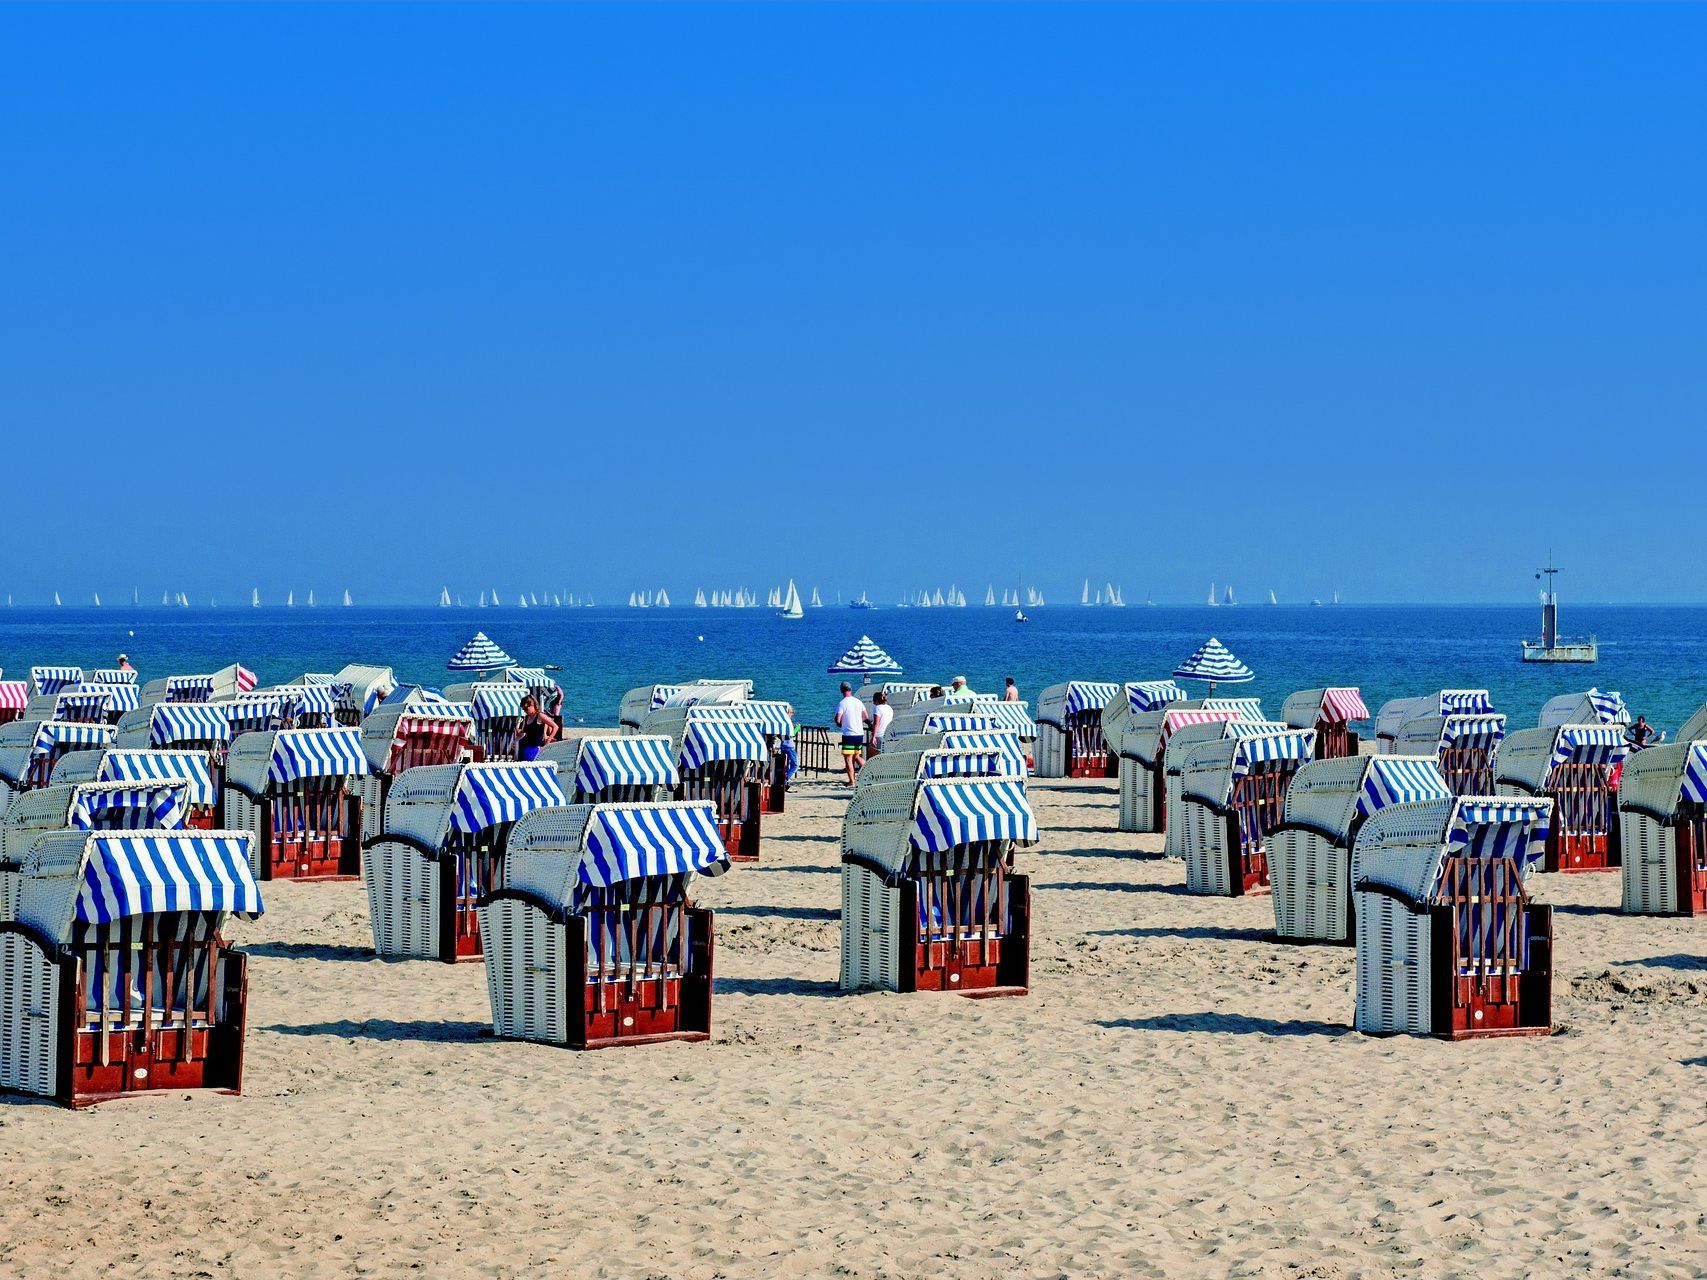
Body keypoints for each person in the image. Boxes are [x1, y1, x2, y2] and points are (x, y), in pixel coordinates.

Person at [835, 682, 868, 784]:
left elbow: (838, 719)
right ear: (851, 689)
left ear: (841, 690)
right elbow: (865, 716)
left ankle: (851, 781)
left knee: (848, 759)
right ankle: (869, 771)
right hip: (859, 733)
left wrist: (842, 724)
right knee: (857, 756)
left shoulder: (842, 703)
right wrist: (857, 722)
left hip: (849, 734)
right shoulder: (858, 702)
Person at [516, 693, 559, 762]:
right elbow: (523, 732)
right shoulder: (526, 717)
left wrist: (549, 739)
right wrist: (515, 740)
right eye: (523, 709)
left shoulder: (540, 716)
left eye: (526, 708)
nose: (525, 711)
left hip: (538, 748)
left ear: (532, 705)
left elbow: (555, 726)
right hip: (528, 748)